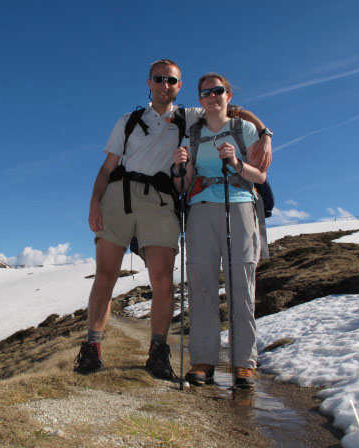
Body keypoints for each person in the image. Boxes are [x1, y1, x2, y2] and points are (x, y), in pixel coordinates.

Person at [74, 60, 271, 380]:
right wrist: (94, 204)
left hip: (161, 200)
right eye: (159, 79)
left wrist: (264, 133)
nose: (165, 85)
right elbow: (108, 166)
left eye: (172, 81)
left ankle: (159, 351)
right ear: (149, 83)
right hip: (119, 198)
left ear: (179, 87)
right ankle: (92, 347)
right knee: (105, 275)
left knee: (163, 279)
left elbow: (234, 110)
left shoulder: (189, 116)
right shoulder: (128, 120)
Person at [173, 73, 272, 389]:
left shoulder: (244, 129)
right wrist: (180, 167)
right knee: (200, 285)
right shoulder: (193, 134)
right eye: (206, 92)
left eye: (218, 91)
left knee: (241, 284)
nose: (212, 96)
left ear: (228, 95)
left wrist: (236, 164)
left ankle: (244, 364)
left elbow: (260, 176)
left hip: (240, 205)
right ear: (200, 99)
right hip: (201, 208)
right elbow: (184, 183)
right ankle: (203, 361)